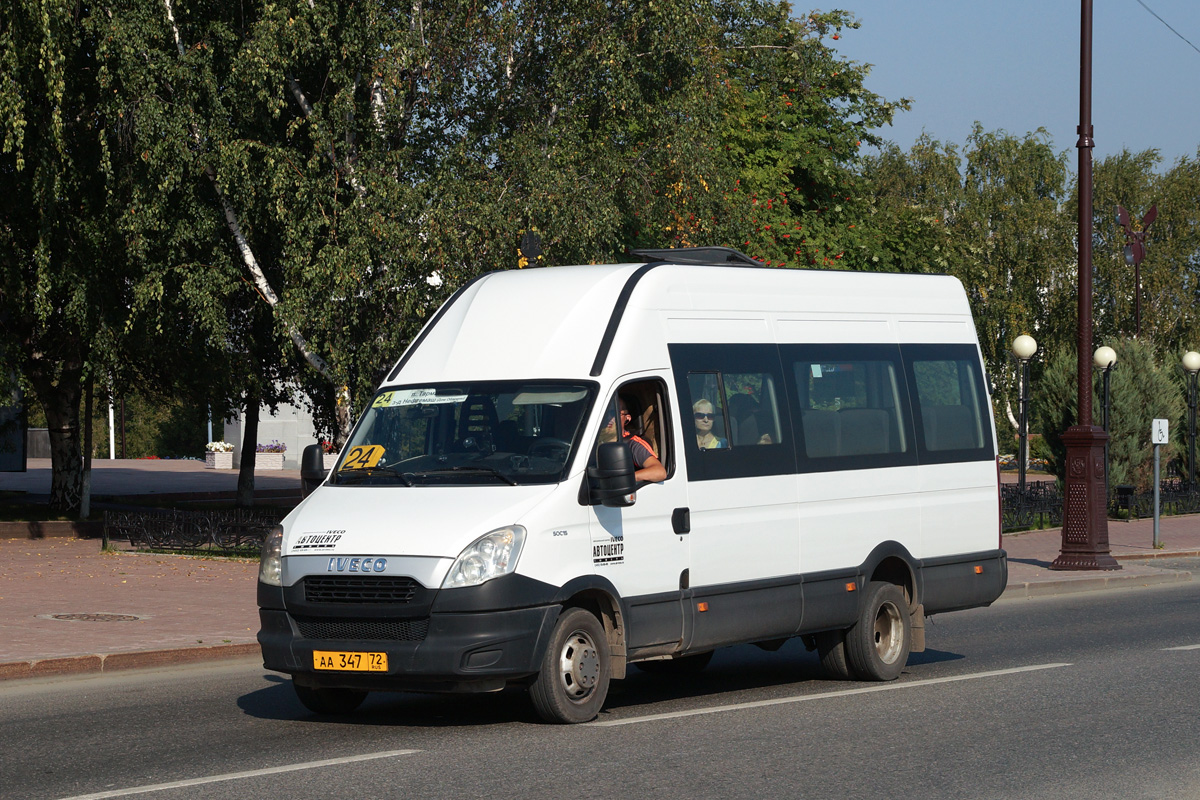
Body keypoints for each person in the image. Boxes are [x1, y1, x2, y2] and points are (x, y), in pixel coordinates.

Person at [599, 396, 667, 483]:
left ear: (627, 418)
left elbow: (659, 472)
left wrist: (623, 479)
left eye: (614, 413)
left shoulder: (632, 443)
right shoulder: (592, 440)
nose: (609, 417)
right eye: (605, 413)